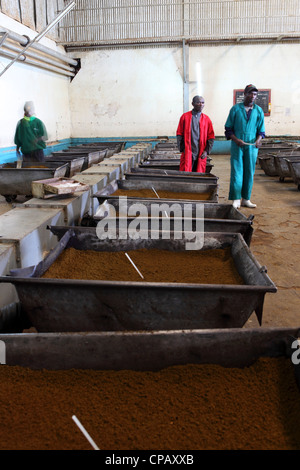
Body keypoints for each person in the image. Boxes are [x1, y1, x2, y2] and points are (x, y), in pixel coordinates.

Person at [225, 84, 265, 208]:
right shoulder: (235, 109)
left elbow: (261, 131)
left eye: (255, 94)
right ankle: (236, 198)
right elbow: (228, 129)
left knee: (249, 171)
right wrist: (236, 140)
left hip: (252, 146)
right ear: (245, 94)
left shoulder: (258, 111)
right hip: (238, 145)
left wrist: (258, 140)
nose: (253, 96)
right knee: (237, 171)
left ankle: (246, 199)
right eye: (250, 94)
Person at [176, 95, 215, 173]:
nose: (201, 104)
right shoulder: (185, 117)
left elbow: (211, 137)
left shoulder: (206, 119)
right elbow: (179, 134)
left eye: (203, 102)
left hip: (200, 153)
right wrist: (183, 149)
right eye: (198, 102)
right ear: (193, 104)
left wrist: (206, 151)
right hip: (188, 152)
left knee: (199, 174)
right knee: (186, 174)